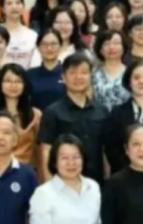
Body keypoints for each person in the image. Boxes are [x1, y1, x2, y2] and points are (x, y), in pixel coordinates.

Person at [38, 53, 111, 184]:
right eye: (72, 73)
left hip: (96, 184)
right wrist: (49, 187)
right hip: (62, 184)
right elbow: (46, 152)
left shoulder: (102, 111)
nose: (78, 77)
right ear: (63, 77)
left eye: (84, 72)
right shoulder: (52, 112)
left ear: (90, 76)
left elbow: (105, 151)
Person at [0, 63, 42, 169]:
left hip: (25, 172)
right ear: (0, 84)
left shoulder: (35, 116)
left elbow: (39, 153)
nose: (13, 85)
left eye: (18, 81)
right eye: (8, 81)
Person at [0, 0, 41, 69]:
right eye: (9, 3)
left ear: (23, 7)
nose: (14, 7)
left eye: (18, 3)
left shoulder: (32, 35)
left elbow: (36, 64)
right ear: (2, 9)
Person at [91, 29, 131, 111]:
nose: (112, 47)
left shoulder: (132, 73)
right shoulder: (92, 74)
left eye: (116, 43)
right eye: (106, 44)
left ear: (123, 47)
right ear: (100, 50)